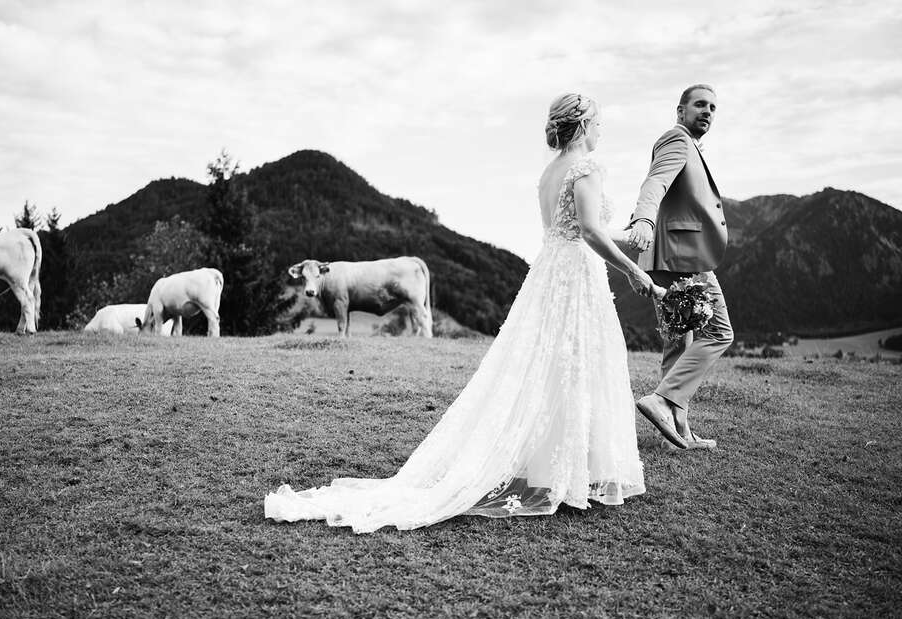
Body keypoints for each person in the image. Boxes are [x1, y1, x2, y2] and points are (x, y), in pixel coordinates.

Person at [264, 93, 655, 533]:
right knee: (575, 363)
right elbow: (588, 231)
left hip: (550, 275)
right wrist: (633, 272)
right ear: (582, 125)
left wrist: (633, 231)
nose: (602, 131)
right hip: (576, 277)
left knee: (551, 365)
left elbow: (577, 229)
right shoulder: (586, 169)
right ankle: (567, 469)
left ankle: (560, 465)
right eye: (599, 123)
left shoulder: (549, 173)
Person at [626, 84, 734, 451]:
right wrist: (643, 219)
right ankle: (661, 399)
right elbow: (654, 181)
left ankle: (678, 432)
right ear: (680, 111)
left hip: (664, 259)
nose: (708, 111)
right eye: (700, 105)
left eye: (713, 107)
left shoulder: (689, 145)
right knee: (719, 333)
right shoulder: (677, 140)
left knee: (678, 344)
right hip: (683, 258)